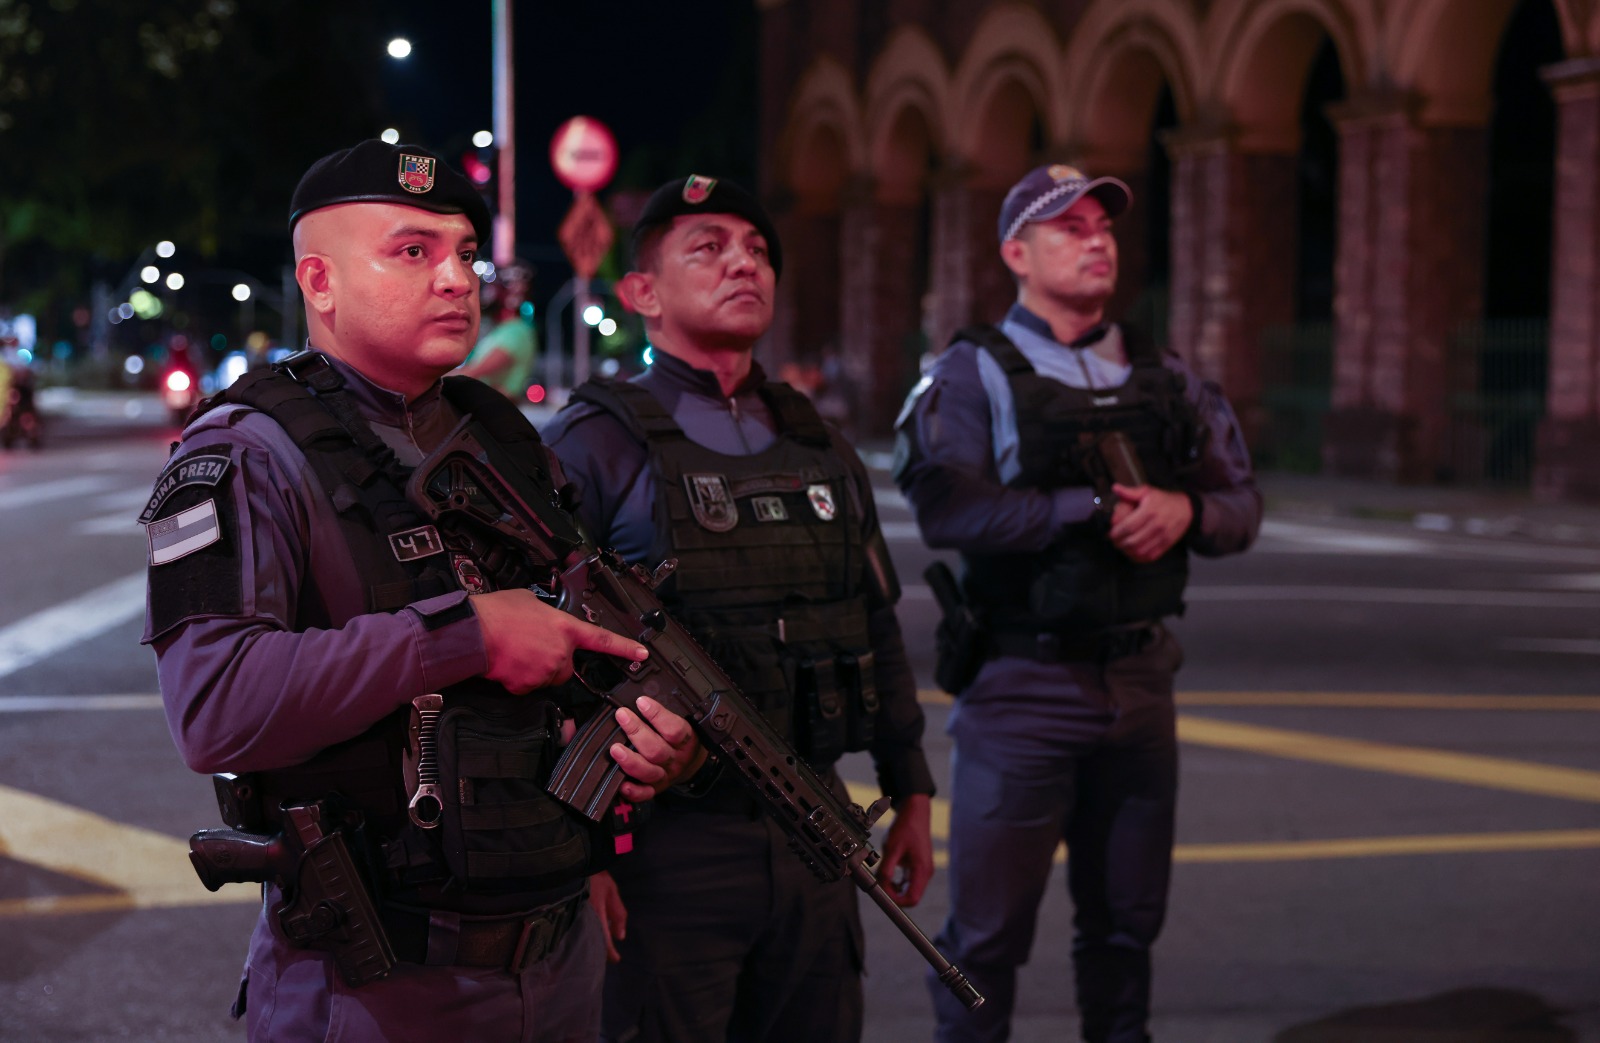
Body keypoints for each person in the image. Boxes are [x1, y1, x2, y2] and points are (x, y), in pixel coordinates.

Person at [140, 139, 705, 1043]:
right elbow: (214, 707)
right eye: (414, 251)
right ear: (320, 281)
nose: (456, 278)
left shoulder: (504, 440)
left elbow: (576, 655)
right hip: (377, 984)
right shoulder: (245, 453)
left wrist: (650, 747)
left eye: (466, 254)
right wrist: (465, 633)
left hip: (560, 954)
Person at [542, 174, 936, 1043]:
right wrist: (584, 859)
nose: (743, 263)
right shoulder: (595, 442)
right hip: (664, 848)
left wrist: (911, 785)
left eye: (757, 250)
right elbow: (544, 660)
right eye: (709, 247)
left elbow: (873, 619)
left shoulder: (820, 442)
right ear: (642, 292)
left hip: (816, 825)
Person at [893, 164, 1262, 1043]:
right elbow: (947, 508)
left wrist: (1187, 512)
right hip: (1022, 686)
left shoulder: (1166, 374)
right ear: (1016, 253)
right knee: (985, 940)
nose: (1096, 240)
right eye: (1068, 227)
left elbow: (1241, 504)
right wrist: (1088, 506)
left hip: (1140, 682)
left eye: (1103, 225)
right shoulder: (971, 372)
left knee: (1127, 930)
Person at [456, 258, 538, 397]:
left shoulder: (516, 332)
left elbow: (474, 372)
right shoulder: (503, 330)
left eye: (495, 287)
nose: (488, 293)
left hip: (493, 408)